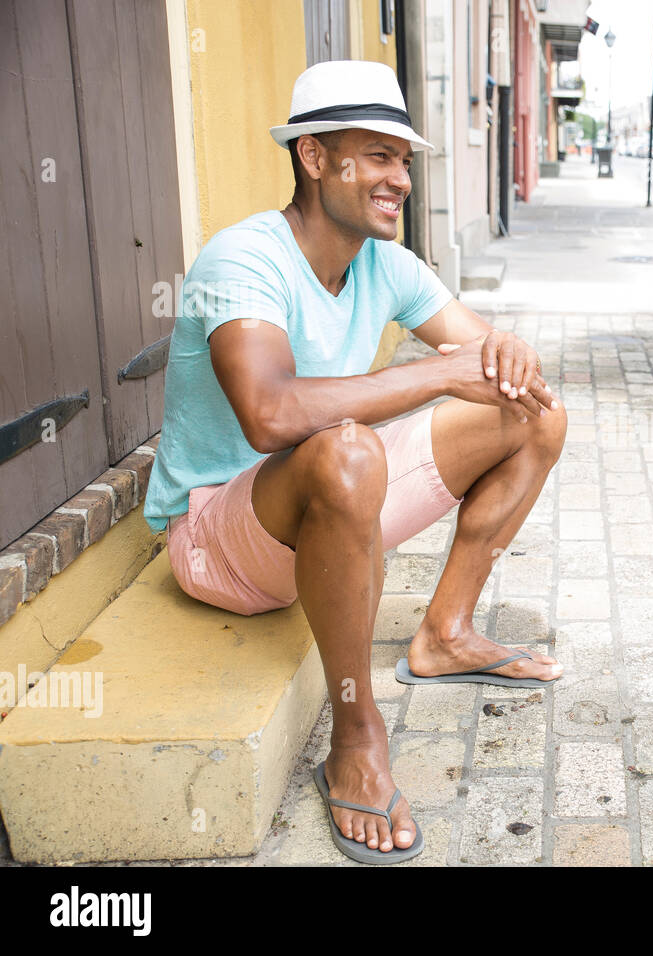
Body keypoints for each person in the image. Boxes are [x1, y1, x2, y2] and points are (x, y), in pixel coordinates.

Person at [141, 60, 566, 864]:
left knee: (534, 417)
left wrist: (508, 351)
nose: (400, 178)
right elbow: (270, 416)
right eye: (377, 155)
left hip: (321, 502)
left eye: (404, 159)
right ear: (313, 157)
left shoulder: (386, 265)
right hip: (214, 541)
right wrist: (438, 371)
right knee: (344, 449)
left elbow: (497, 363)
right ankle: (357, 732)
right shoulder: (245, 259)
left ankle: (444, 634)